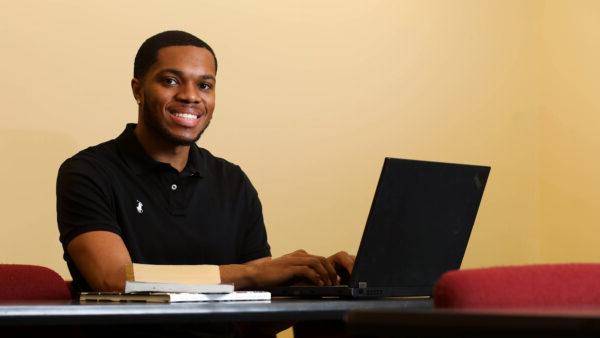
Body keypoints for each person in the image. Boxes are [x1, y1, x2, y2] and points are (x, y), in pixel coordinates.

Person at [56, 30, 355, 294]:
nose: (190, 96)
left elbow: (259, 301)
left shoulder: (232, 180)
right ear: (138, 90)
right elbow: (115, 280)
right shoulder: (87, 173)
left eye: (204, 85)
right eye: (171, 81)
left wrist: (315, 279)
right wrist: (254, 273)